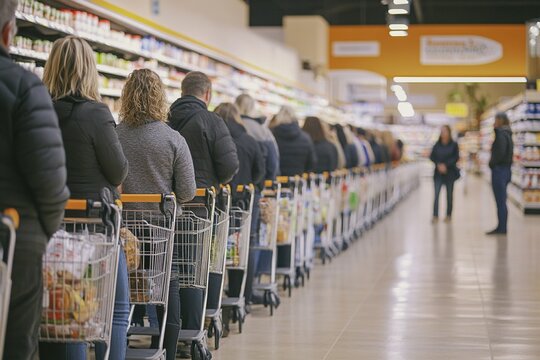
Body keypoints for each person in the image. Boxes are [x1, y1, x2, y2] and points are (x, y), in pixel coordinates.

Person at [40, 35, 129, 360]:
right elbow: (119, 171)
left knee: (61, 315)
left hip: (51, 226)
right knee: (116, 310)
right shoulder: (97, 113)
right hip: (95, 228)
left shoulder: (40, 109)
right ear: (90, 71)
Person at [0, 1, 70, 357]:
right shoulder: (24, 87)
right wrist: (43, 230)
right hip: (13, 240)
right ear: (8, 31)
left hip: (18, 235)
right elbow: (49, 180)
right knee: (15, 340)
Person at [117, 69, 196, 360]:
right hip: (161, 229)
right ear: (160, 98)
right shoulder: (173, 139)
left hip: (123, 232)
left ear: (126, 97)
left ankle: (120, 347)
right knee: (167, 289)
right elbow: (187, 191)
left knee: (122, 290)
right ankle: (168, 351)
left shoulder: (114, 135)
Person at [214, 103, 265, 311]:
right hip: (243, 203)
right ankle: (240, 295)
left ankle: (215, 298)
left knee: (215, 250)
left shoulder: (214, 138)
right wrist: (250, 187)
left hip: (217, 204)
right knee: (244, 247)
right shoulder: (249, 141)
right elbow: (261, 171)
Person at [169, 71, 239, 189]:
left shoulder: (165, 118)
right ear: (207, 94)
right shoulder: (212, 121)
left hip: (171, 198)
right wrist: (215, 180)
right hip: (203, 198)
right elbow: (230, 165)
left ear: (182, 93)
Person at [236, 94, 279, 180]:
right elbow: (273, 162)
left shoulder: (227, 125)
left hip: (230, 184)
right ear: (252, 108)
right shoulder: (263, 131)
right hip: (254, 184)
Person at [269, 105, 317, 176]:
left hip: (277, 181)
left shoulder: (271, 135)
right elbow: (312, 162)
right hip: (297, 180)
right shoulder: (305, 138)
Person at [486, 112, 513, 235]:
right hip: (505, 170)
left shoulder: (501, 134)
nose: (494, 122)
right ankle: (501, 226)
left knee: (500, 201)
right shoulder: (507, 133)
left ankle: (502, 228)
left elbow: (500, 152)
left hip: (500, 170)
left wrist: (492, 163)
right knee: (501, 200)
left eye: (496, 120)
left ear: (500, 121)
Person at [429, 125, 460, 223]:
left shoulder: (454, 145)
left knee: (449, 195)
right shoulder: (437, 144)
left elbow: (456, 157)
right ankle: (435, 215)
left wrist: (446, 165)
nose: (443, 133)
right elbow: (432, 156)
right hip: (438, 173)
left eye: (445, 131)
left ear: (449, 132)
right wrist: (438, 164)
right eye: (441, 131)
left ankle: (448, 215)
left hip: (449, 173)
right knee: (436, 195)